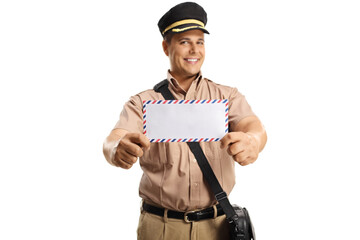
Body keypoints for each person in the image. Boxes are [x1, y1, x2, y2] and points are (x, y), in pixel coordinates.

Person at [103, 2, 267, 240]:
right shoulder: (142, 102)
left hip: (218, 226)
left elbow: (255, 127)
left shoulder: (227, 96)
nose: (194, 50)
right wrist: (116, 149)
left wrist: (254, 141)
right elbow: (113, 139)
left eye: (200, 42)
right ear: (165, 47)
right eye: (184, 42)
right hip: (160, 228)